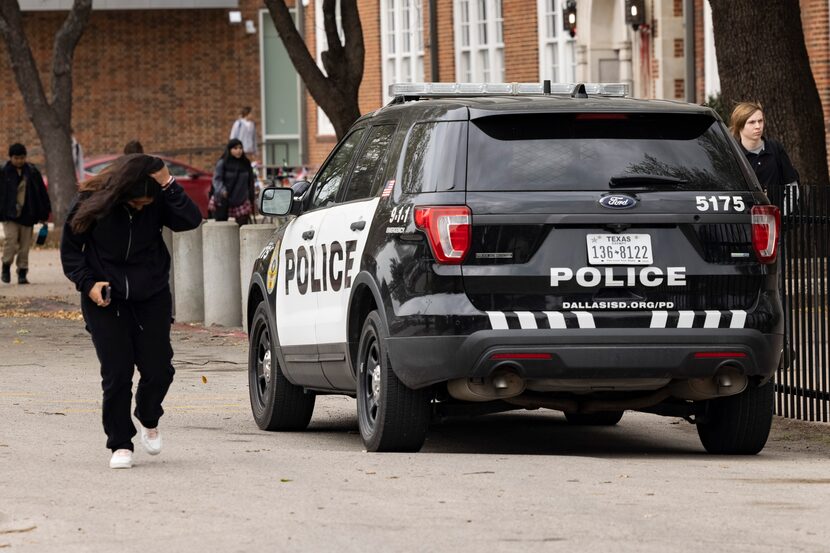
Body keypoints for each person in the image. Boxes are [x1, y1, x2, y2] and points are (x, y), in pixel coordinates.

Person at [60, 154, 201, 469]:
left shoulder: (156, 199)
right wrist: (88, 284)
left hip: (150, 295)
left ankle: (148, 416)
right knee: (117, 372)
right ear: (121, 195)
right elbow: (70, 250)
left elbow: (191, 220)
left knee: (159, 368)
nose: (141, 207)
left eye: (145, 204)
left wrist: (168, 182)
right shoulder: (91, 201)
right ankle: (120, 443)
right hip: (105, 298)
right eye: (136, 203)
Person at [729, 101, 800, 214]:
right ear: (740, 125)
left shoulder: (775, 148)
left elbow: (792, 186)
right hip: (744, 223)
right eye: (751, 122)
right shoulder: (733, 154)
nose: (758, 126)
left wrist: (781, 213)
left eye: (760, 121)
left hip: (775, 222)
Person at [0, 143, 51, 285]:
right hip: (9, 215)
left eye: (22, 158)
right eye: (16, 158)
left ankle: (22, 272)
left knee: (24, 246)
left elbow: (41, 194)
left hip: (28, 214)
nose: (19, 161)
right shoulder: (3, 172)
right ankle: (6, 266)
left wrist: (44, 213)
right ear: (10, 158)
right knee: (10, 241)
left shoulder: (32, 172)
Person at [209, 138, 256, 225]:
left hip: (241, 199)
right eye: (235, 148)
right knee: (222, 225)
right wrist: (222, 191)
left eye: (240, 148)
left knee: (243, 225)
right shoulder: (223, 162)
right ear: (229, 150)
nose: (239, 151)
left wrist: (251, 197)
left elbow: (250, 181)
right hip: (224, 198)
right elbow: (217, 179)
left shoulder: (246, 163)